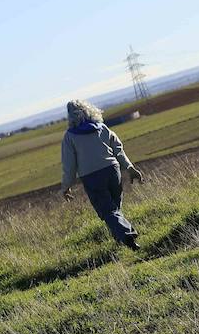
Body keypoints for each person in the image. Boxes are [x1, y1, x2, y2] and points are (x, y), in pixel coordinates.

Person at [60, 99, 144, 249]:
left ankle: (128, 236)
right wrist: (130, 168)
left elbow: (69, 165)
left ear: (70, 116)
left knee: (108, 211)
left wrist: (66, 186)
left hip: (92, 177)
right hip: (113, 171)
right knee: (114, 209)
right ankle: (121, 240)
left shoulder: (70, 136)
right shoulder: (102, 128)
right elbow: (118, 150)